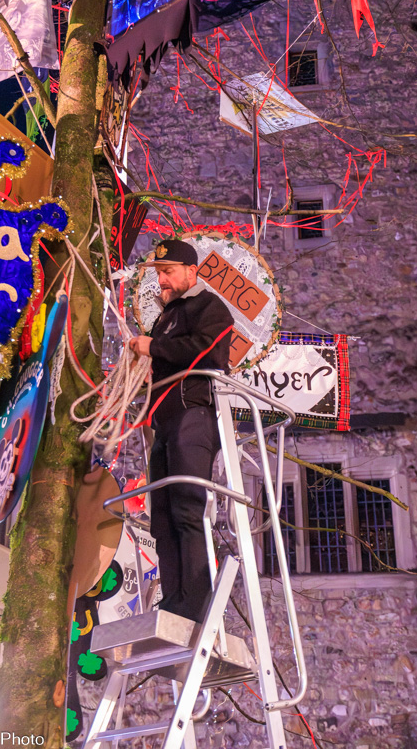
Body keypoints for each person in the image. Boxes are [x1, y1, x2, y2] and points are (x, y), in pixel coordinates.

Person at [129, 239, 233, 622]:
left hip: (194, 414)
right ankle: (173, 599)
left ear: (192, 271)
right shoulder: (165, 316)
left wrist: (154, 347)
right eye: (159, 274)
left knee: (188, 507)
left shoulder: (209, 307)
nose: (163, 280)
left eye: (168, 272)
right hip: (166, 420)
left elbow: (207, 349)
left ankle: (196, 603)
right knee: (162, 516)